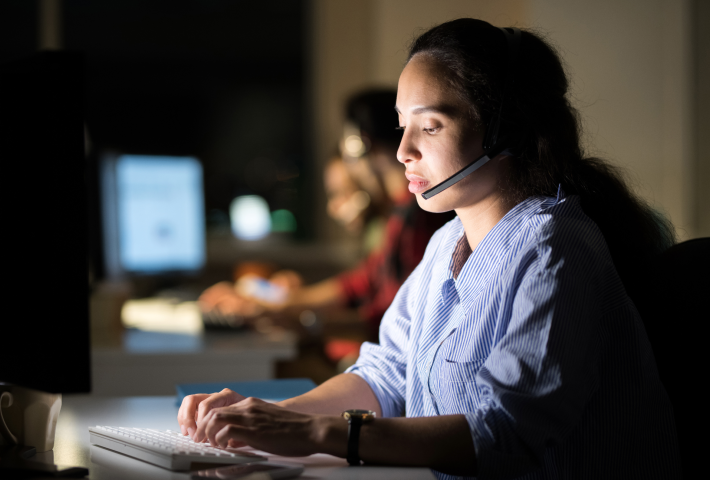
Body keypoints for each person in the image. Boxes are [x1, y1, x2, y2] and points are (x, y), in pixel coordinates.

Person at [178, 19, 681, 479]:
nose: (403, 151)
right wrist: (270, 415)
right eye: (402, 125)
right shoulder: (445, 245)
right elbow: (386, 375)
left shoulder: (555, 249)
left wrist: (313, 434)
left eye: (431, 126)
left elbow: (504, 433)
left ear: (504, 130)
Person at [199, 90, 454, 341]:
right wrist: (275, 302)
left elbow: (388, 322)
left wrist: (295, 319)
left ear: (360, 144)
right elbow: (358, 282)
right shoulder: (401, 214)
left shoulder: (416, 216)